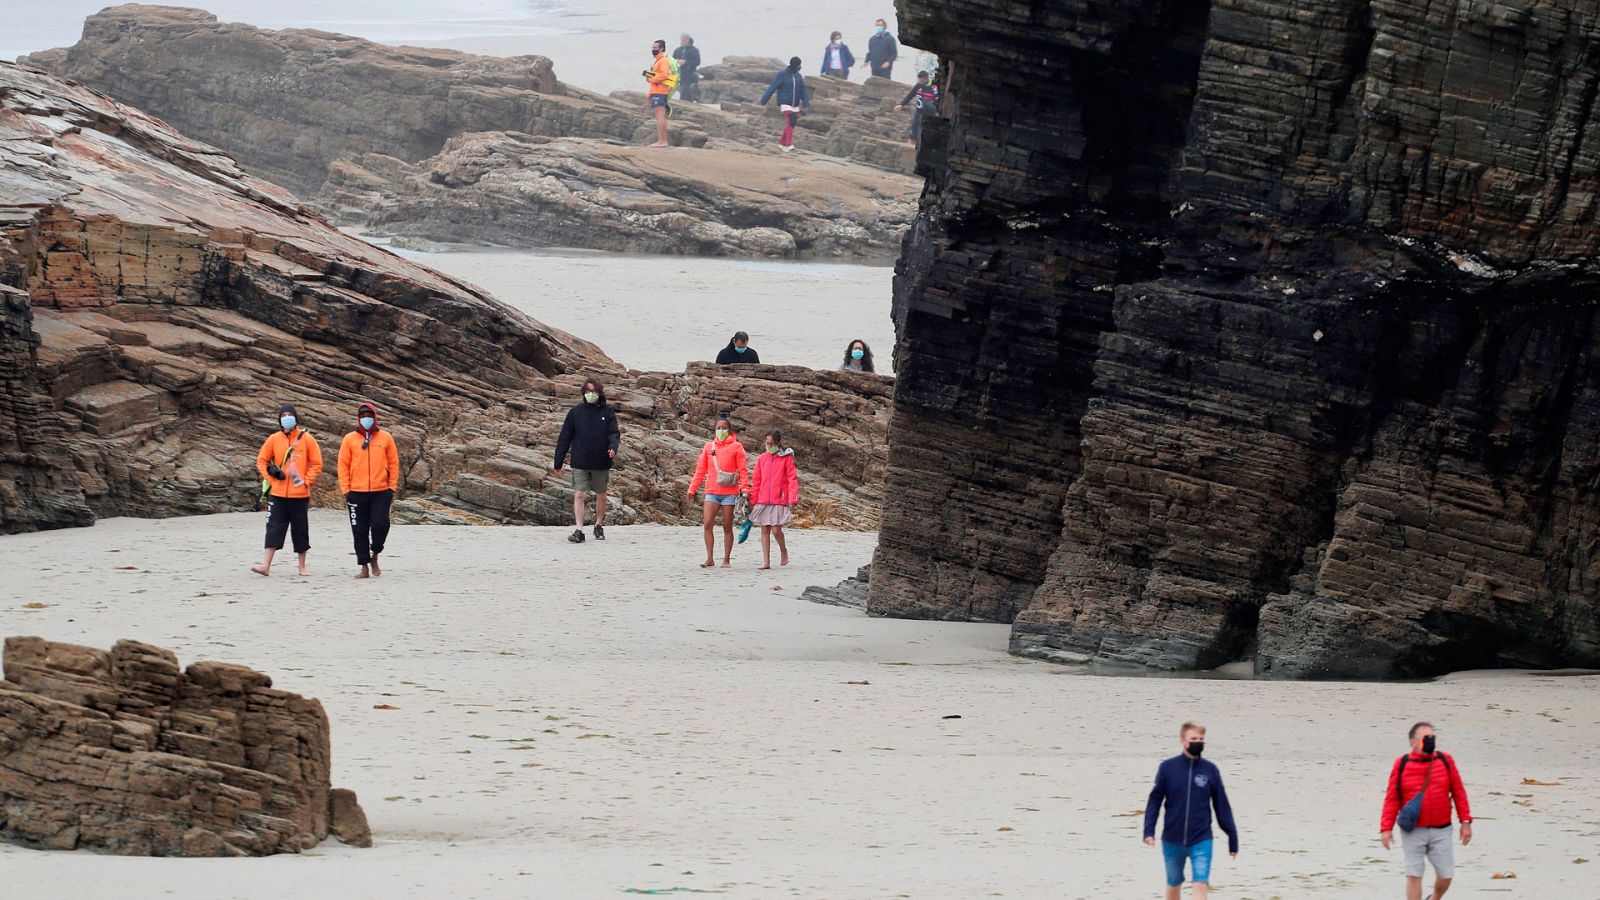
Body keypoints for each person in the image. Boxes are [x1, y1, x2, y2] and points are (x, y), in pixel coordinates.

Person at [1143, 722, 1239, 900]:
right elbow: (1155, 800)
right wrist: (1149, 831)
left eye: (1201, 739)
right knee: (1173, 882)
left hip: (1201, 838)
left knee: (1201, 883)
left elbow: (1221, 804)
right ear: (1182, 741)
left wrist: (1232, 836)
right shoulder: (1167, 768)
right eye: (1193, 739)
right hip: (1172, 838)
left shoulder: (1210, 770)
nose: (1198, 742)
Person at [1381, 722, 1472, 900]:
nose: (1429, 741)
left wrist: (1465, 822)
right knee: (1414, 874)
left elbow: (1459, 791)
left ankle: (1434, 898)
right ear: (1412, 741)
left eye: (1432, 737)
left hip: (1442, 829)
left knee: (1446, 875)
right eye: (1425, 738)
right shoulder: (1402, 764)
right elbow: (1392, 798)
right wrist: (1386, 828)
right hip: (1413, 829)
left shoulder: (1445, 760)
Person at [251, 403, 323, 577]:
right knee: (273, 528)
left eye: (289, 415)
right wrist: (271, 478)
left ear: (296, 418)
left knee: (300, 530)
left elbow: (316, 463)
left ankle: (302, 567)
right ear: (279, 419)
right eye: (283, 415)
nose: (286, 418)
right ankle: (265, 565)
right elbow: (262, 461)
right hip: (278, 494)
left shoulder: (307, 439)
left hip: (300, 495)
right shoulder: (274, 439)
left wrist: (306, 481)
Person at [553, 378, 622, 544]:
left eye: (594, 392)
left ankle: (598, 524)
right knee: (579, 494)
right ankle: (579, 530)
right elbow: (564, 438)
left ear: (599, 393)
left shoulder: (608, 412)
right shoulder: (575, 413)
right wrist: (558, 462)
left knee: (601, 495)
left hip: (601, 460)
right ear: (584, 393)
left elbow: (614, 433)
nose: (591, 395)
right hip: (580, 460)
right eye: (588, 392)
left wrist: (613, 447)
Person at [338, 402, 400, 579]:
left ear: (375, 417)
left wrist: (391, 486)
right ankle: (364, 566)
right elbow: (343, 465)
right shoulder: (349, 439)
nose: (366, 419)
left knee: (381, 525)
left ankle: (375, 555)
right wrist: (346, 489)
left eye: (369, 415)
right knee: (359, 530)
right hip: (356, 492)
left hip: (381, 491)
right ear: (358, 418)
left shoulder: (386, 437)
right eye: (363, 416)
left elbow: (394, 463)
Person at [687, 418, 749, 568]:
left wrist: (745, 488)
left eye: (724, 427)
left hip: (730, 493)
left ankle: (726, 559)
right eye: (718, 427)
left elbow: (742, 470)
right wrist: (692, 488)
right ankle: (710, 558)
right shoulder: (709, 447)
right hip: (712, 492)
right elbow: (700, 470)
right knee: (707, 524)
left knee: (727, 526)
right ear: (714, 429)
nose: (721, 430)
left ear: (729, 430)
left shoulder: (737, 447)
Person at [749, 430, 798, 569]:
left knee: (776, 530)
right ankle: (766, 562)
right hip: (763, 499)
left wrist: (792, 497)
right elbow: (757, 480)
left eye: (772, 444)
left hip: (779, 499)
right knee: (765, 530)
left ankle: (783, 550)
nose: (769, 446)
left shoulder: (786, 458)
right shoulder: (761, 459)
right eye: (767, 443)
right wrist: (753, 499)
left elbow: (792, 479)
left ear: (778, 443)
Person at [759, 58, 811, 152]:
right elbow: (772, 87)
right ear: (795, 65)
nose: (800, 67)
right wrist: (763, 101)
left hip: (795, 104)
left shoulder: (799, 76)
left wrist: (806, 102)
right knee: (791, 122)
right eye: (799, 65)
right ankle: (788, 145)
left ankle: (782, 143)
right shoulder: (782, 74)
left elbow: (803, 91)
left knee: (791, 124)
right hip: (785, 102)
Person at [643, 38, 675, 147]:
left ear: (661, 48)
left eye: (655, 48)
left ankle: (663, 141)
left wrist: (651, 79)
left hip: (661, 92)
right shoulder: (657, 61)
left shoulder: (664, 60)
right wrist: (650, 92)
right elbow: (655, 77)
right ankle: (660, 140)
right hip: (656, 91)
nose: (653, 50)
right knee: (659, 116)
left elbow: (664, 75)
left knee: (660, 116)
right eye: (652, 48)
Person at [896, 71, 939, 141]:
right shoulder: (918, 85)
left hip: (930, 114)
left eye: (922, 79)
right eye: (919, 79)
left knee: (927, 134)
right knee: (913, 133)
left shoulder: (934, 87)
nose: (921, 81)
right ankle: (911, 146)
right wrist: (901, 104)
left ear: (927, 78)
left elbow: (938, 100)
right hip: (918, 113)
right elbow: (910, 95)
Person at [673, 34, 702, 103]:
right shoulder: (678, 50)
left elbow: (697, 62)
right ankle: (691, 102)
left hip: (690, 73)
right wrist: (676, 61)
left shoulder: (694, 50)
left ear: (688, 41)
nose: (682, 42)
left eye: (684, 40)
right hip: (679, 73)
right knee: (686, 92)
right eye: (681, 40)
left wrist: (686, 62)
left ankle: (682, 105)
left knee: (684, 90)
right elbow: (672, 60)